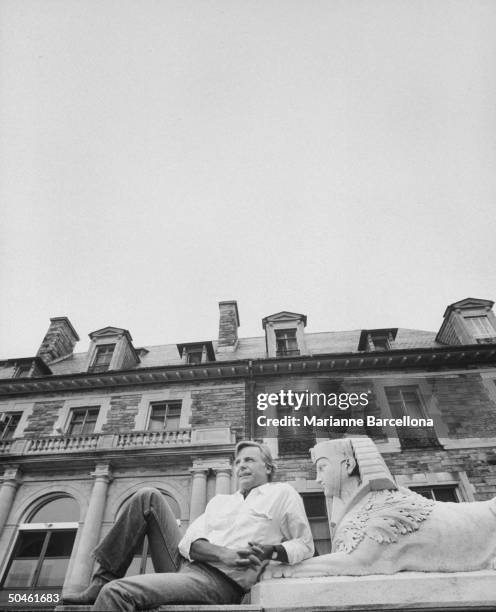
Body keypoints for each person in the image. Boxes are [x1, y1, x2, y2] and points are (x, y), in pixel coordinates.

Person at [63, 440, 314, 611]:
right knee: (147, 496)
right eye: (238, 462)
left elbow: (304, 545)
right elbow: (188, 543)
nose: (241, 466)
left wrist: (271, 550)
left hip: (219, 583)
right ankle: (100, 580)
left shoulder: (282, 493)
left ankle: (107, 588)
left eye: (249, 460)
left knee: (116, 592)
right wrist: (223, 553)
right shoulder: (221, 500)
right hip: (185, 564)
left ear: (268, 467)